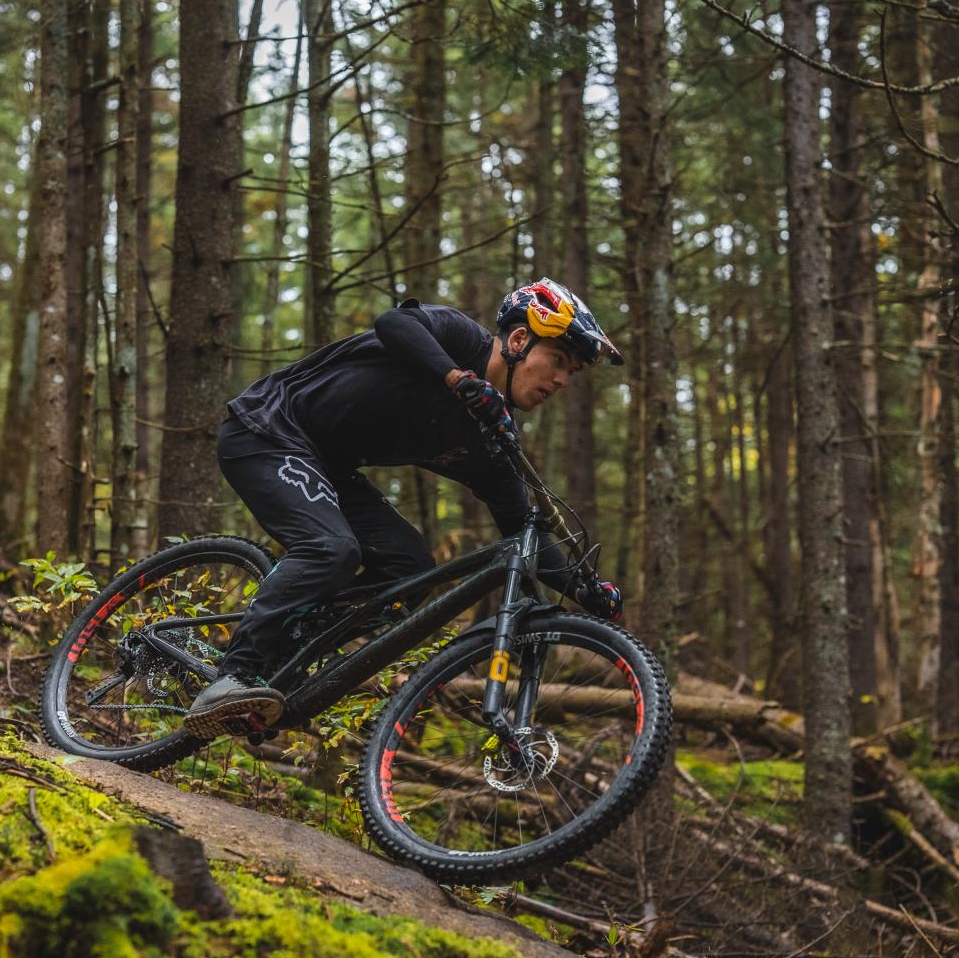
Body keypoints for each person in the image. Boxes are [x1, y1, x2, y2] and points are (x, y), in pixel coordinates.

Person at [183, 278, 627, 738]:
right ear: (518, 340)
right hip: (269, 430)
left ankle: (281, 662)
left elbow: (522, 531)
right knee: (331, 548)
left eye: (571, 372)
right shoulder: (458, 338)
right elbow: (394, 322)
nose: (561, 380)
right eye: (558, 361)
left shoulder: (490, 437)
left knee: (409, 571)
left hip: (331, 466)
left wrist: (584, 590)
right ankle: (234, 674)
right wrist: (457, 379)